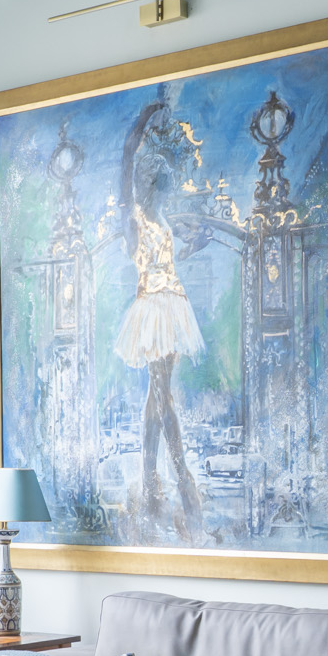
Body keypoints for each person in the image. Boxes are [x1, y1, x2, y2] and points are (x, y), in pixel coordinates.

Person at [113, 101, 205, 532]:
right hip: (152, 308)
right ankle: (182, 477)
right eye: (153, 182)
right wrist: (140, 120)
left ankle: (151, 478)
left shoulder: (161, 216)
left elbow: (170, 256)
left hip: (173, 303)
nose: (157, 189)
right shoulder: (133, 218)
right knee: (162, 393)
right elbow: (126, 158)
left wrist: (194, 246)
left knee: (157, 394)